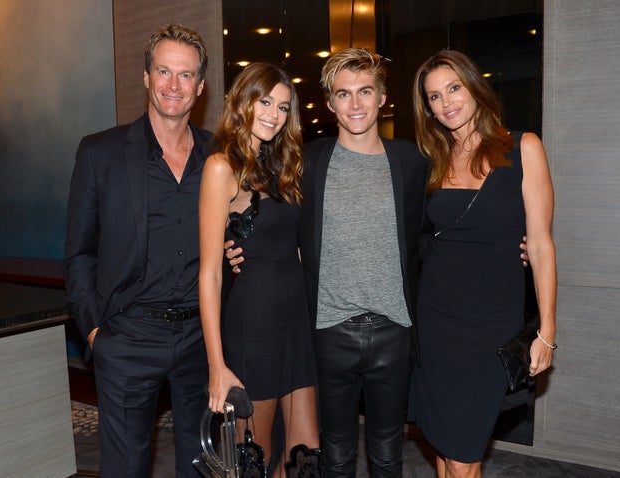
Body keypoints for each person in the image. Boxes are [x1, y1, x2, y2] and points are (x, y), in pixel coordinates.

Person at [228, 48, 429, 477]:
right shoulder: (307, 163)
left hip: (394, 330)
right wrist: (236, 243)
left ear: (381, 98)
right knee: (333, 455)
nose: (355, 104)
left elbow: (434, 231)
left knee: (388, 454)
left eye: (365, 92)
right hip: (327, 332)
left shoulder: (411, 163)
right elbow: (266, 212)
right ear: (330, 102)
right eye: (343, 94)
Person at [62, 24, 211, 478]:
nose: (173, 85)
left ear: (200, 87)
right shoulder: (99, 153)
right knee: (124, 468)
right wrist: (94, 334)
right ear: (146, 76)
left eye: (185, 76)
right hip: (128, 336)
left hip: (202, 339)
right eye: (163, 71)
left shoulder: (220, 155)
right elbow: (78, 253)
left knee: (202, 465)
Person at [408, 49, 558, 478]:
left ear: (475, 87)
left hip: (491, 324)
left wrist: (547, 331)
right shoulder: (431, 161)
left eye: (453, 88)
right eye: (434, 97)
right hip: (436, 320)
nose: (446, 102)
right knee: (444, 444)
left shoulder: (523, 147)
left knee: (463, 452)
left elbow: (542, 244)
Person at [198, 62, 320, 477]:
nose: (273, 114)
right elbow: (210, 273)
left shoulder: (282, 166)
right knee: (255, 460)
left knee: (304, 458)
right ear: (242, 102)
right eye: (264, 101)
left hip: (294, 321)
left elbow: (296, 248)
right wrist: (217, 365)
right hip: (255, 326)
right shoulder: (221, 167)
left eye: (283, 107)